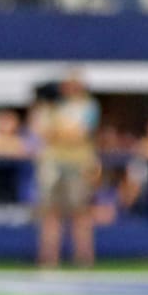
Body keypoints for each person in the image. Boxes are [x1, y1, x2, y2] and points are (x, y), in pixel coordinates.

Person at [29, 72, 101, 267]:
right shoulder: (49, 107)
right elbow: (39, 131)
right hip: (52, 162)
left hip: (78, 162)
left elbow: (78, 133)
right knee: (50, 212)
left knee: (81, 211)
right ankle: (48, 258)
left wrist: (57, 130)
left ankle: (84, 258)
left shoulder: (87, 105)